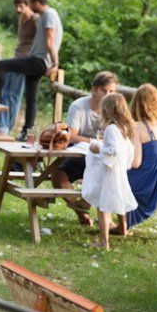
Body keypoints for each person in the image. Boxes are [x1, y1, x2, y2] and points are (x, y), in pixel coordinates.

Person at [0, 0, 62, 139]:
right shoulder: (44, 15)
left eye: (30, 3)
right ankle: (27, 132)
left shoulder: (48, 14)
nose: (29, 6)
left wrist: (55, 63)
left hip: (39, 60)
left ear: (36, 3)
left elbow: (50, 40)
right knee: (31, 98)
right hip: (37, 58)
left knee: (2, 65)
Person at [52, 71, 120, 226]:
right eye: (104, 91)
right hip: (81, 153)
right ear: (94, 90)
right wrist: (93, 142)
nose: (107, 95)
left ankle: (107, 220)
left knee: (107, 176)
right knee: (58, 176)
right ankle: (82, 212)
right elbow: (71, 136)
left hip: (104, 157)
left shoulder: (116, 109)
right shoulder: (79, 106)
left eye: (111, 92)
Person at [82, 93, 140, 251]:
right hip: (118, 171)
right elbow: (127, 150)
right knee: (113, 202)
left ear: (107, 110)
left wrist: (98, 148)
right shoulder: (124, 128)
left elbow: (113, 150)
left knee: (103, 208)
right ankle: (122, 229)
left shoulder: (111, 129)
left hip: (110, 173)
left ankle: (104, 242)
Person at [127, 83, 157, 229]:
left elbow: (135, 162)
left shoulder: (138, 127)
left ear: (136, 104)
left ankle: (114, 223)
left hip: (147, 183)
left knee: (111, 176)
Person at [0, 0, 36, 134]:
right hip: (17, 57)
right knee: (8, 92)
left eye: (21, 6)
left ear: (28, 5)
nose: (18, 9)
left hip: (26, 59)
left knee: (12, 93)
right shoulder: (21, 18)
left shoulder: (35, 19)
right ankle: (3, 125)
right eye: (16, 6)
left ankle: (3, 127)